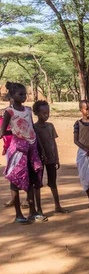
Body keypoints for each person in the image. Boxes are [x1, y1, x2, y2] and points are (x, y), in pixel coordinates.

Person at [1, 82, 44, 223]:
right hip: (18, 149)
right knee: (16, 180)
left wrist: (38, 147)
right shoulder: (9, 112)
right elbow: (2, 131)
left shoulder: (28, 110)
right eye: (21, 94)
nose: (24, 96)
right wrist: (15, 132)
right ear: (12, 95)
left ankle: (32, 211)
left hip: (31, 147)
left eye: (25, 94)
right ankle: (18, 214)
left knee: (31, 179)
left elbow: (31, 127)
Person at [33, 100, 69, 214]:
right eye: (43, 113)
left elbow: (53, 143)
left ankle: (57, 205)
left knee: (53, 182)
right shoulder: (34, 128)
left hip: (52, 158)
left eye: (48, 112)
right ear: (36, 113)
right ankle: (39, 209)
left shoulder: (50, 126)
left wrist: (57, 158)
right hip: (39, 159)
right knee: (37, 184)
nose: (46, 115)